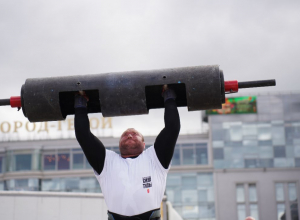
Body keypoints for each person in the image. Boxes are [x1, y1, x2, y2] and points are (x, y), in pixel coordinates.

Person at [74, 86, 180, 220]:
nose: (129, 136)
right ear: (119, 144)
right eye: (125, 135)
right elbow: (83, 135)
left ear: (143, 144)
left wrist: (169, 97)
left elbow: (172, 128)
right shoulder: (107, 162)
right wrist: (80, 103)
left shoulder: (155, 157)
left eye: (134, 134)